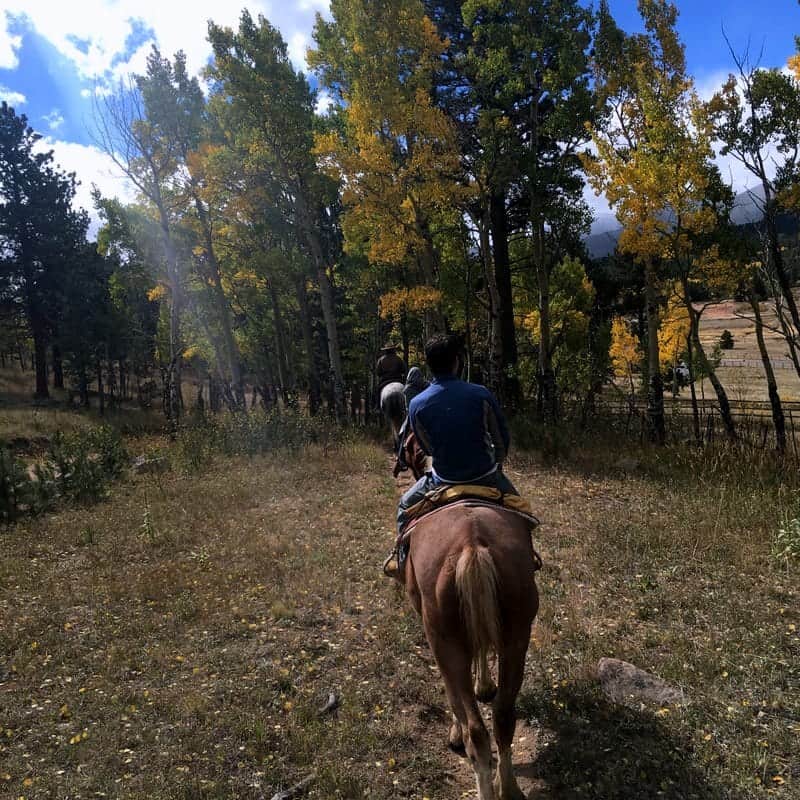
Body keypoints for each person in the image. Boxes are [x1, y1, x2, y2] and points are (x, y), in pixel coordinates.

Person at [385, 333, 519, 576]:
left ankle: (402, 563)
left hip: (443, 480)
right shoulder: (481, 394)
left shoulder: (416, 404)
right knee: (523, 513)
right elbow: (501, 438)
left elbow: (427, 448)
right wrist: (497, 462)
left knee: (404, 509)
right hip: (485, 476)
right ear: (457, 361)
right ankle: (527, 557)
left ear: (429, 364)